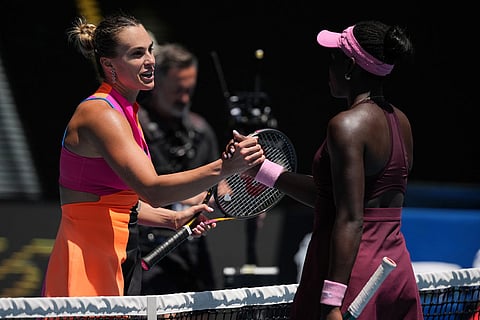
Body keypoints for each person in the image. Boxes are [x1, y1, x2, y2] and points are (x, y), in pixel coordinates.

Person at [41, 12, 264, 297]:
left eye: (150, 50)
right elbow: (152, 190)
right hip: (88, 263)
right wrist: (226, 166)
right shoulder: (101, 114)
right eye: (136, 54)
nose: (150, 61)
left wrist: (170, 220)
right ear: (108, 64)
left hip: (118, 257)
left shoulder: (126, 111)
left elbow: (115, 203)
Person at [249, 20, 422, 319]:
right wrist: (260, 170)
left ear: (350, 66)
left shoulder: (346, 126)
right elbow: (331, 195)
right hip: (393, 272)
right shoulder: (401, 121)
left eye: (334, 58)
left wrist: (331, 302)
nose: (328, 68)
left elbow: (351, 218)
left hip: (351, 276)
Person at [136, 43, 219, 294]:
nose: (184, 98)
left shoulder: (201, 130)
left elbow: (218, 189)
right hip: (145, 253)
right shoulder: (132, 127)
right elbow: (129, 191)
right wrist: (186, 194)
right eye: (177, 91)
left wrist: (241, 192)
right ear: (156, 84)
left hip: (194, 255)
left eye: (189, 90)